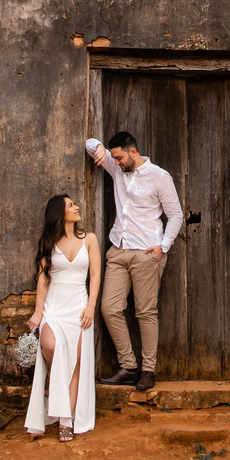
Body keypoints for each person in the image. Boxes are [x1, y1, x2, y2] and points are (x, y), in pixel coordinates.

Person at [86, 131, 183, 391]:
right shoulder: (117, 168)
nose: (114, 163)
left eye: (118, 158)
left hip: (146, 254)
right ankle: (128, 366)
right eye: (112, 158)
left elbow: (176, 216)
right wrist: (97, 148)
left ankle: (148, 370)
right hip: (118, 250)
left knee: (145, 312)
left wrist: (163, 247)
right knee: (109, 308)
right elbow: (89, 144)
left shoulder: (160, 177)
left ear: (133, 152)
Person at [24, 194, 102, 442]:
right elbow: (43, 277)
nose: (76, 207)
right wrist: (38, 312)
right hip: (54, 308)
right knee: (50, 346)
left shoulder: (89, 239)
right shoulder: (48, 241)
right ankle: (52, 384)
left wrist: (91, 306)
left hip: (79, 307)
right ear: (60, 213)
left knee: (76, 364)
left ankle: (65, 420)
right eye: (71, 205)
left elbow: (96, 275)